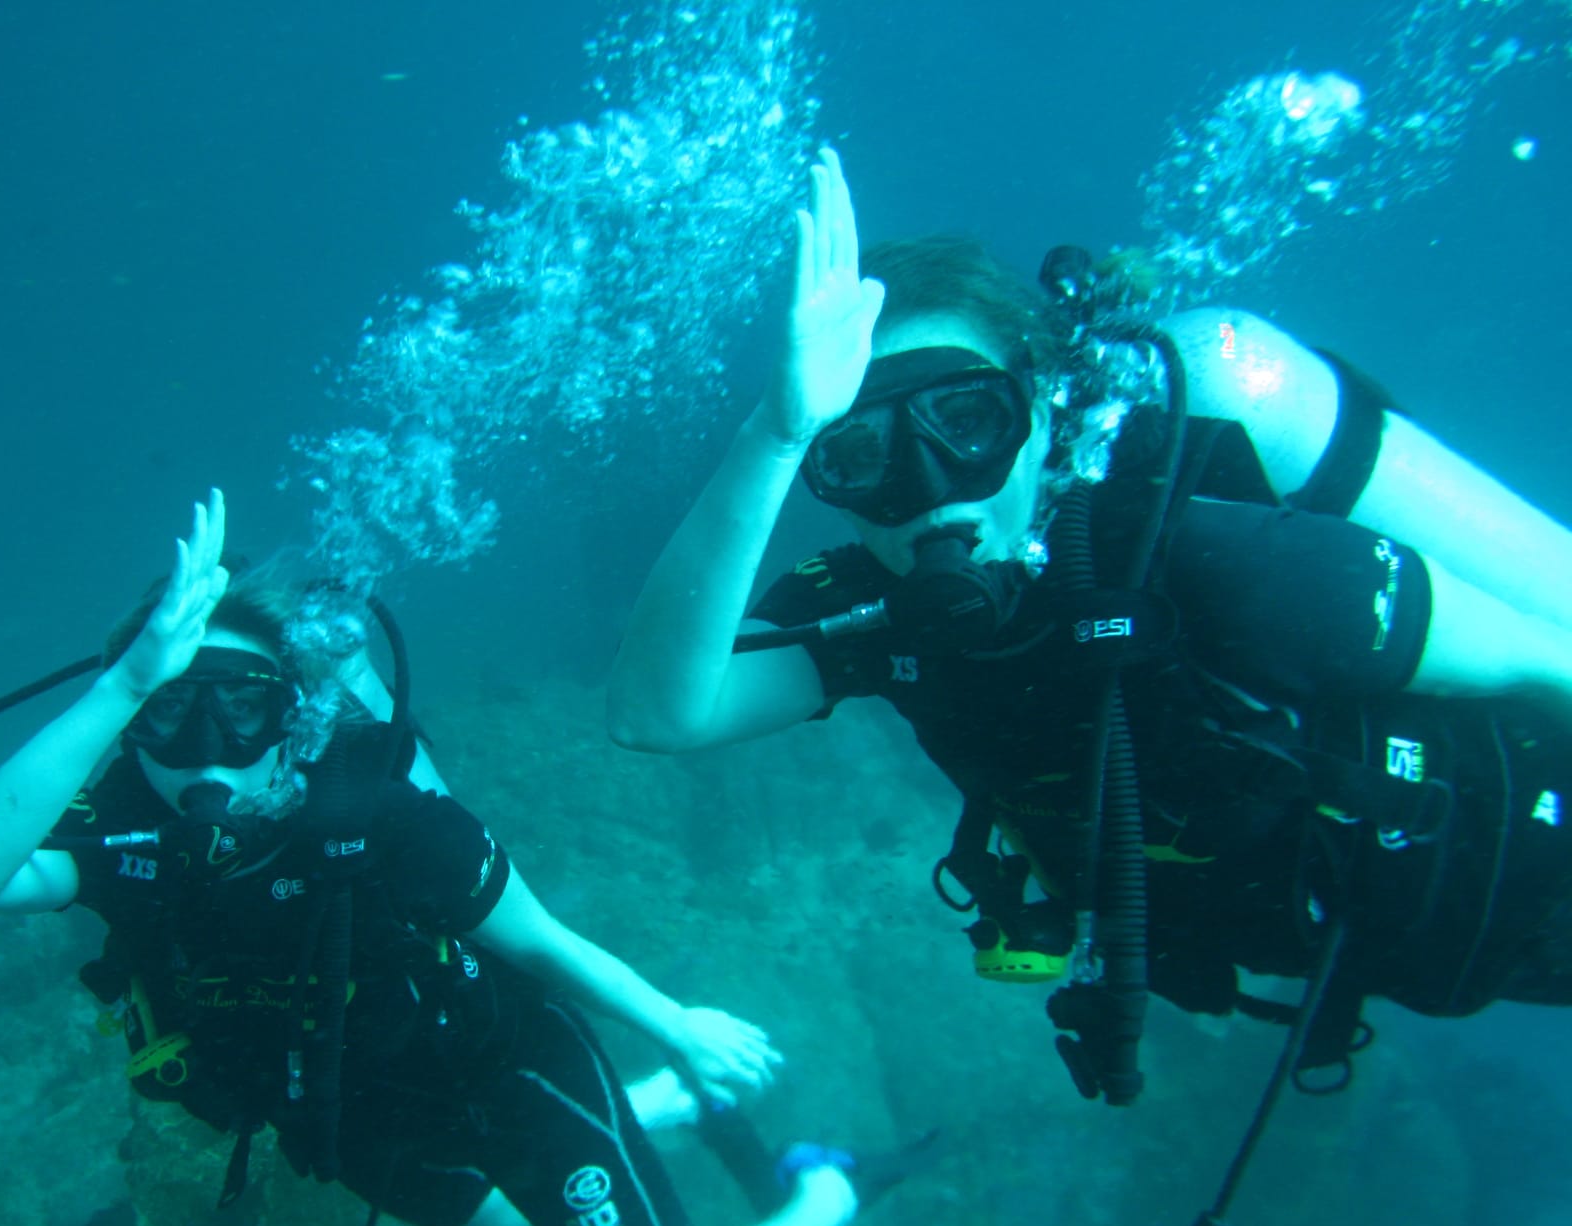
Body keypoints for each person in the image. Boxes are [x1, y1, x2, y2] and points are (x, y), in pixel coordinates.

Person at [607, 147, 1572, 1106]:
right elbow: (660, 714)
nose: (933, 490)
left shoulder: (1215, 563)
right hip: (1408, 947)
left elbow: (1546, 656)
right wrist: (772, 434)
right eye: (861, 454)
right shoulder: (876, 612)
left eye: (968, 422)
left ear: (1037, 406)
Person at [0, 488, 904, 1226]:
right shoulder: (126, 836)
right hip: (347, 1119)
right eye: (167, 712)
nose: (208, 752)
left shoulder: (377, 818)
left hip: (500, 1076)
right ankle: (658, 1109)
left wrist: (676, 1023)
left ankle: (820, 1191)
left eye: (242, 708)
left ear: (292, 715)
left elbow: (540, 944)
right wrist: (124, 681)